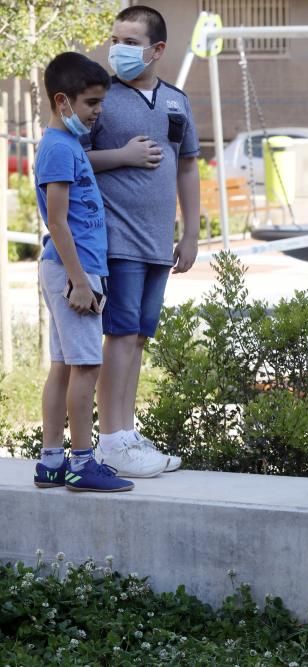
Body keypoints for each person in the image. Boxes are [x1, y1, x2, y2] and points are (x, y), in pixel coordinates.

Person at [86, 5, 200, 477]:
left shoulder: (177, 101)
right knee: (120, 336)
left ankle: (126, 433)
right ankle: (110, 439)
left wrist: (191, 232)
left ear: (157, 50)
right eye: (116, 39)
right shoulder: (100, 100)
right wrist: (123, 155)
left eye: (130, 42)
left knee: (138, 338)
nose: (119, 50)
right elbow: (71, 158)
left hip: (158, 244)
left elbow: (188, 165)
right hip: (117, 241)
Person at [32, 52, 133, 493]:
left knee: (62, 366)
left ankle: (51, 461)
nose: (97, 112)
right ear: (63, 101)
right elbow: (56, 221)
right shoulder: (58, 147)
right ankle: (81, 463)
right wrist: (78, 281)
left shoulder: (68, 145)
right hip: (74, 272)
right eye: (91, 103)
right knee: (87, 367)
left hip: (69, 269)